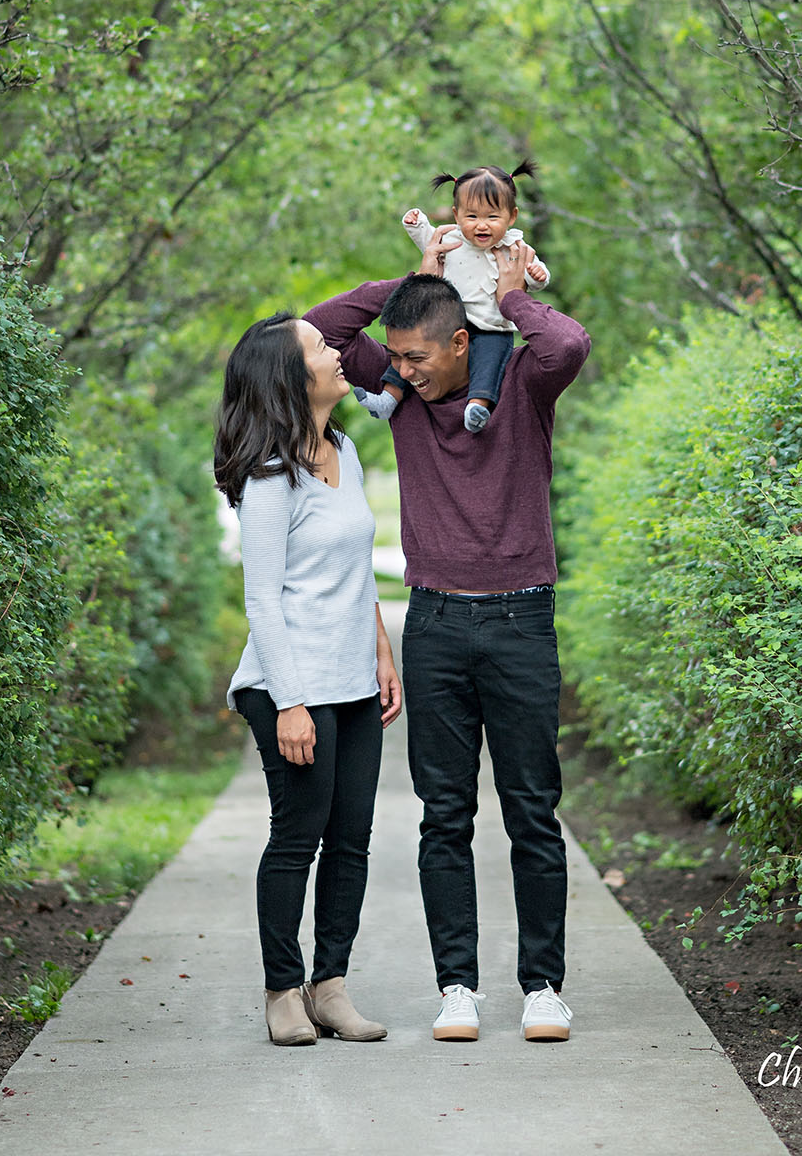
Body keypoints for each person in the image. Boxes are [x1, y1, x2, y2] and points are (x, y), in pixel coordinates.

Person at [306, 229, 591, 1044]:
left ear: (463, 341)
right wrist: (412, 279)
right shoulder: (398, 384)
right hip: (433, 621)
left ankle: (543, 987)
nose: (401, 369)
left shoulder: (523, 387)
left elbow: (566, 339)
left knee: (533, 811)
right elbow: (313, 334)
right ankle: (457, 986)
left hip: (521, 621)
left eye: (420, 356)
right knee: (445, 815)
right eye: (394, 355)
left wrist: (505, 295)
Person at [215, 312, 402, 1047]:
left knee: (351, 838)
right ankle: (282, 991)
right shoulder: (270, 476)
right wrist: (290, 703)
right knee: (298, 838)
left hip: (353, 680)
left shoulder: (344, 450)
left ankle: (332, 986)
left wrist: (382, 652)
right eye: (322, 348)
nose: (338, 352)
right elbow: (262, 597)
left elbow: (356, 565)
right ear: (292, 376)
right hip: (289, 686)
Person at [353, 160, 551, 433]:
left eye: (492, 217)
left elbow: (532, 273)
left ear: (511, 216)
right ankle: (388, 397)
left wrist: (537, 275)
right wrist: (416, 222)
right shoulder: (452, 239)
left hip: (492, 326)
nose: (481, 225)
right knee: (410, 354)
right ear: (457, 215)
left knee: (490, 361)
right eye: (472, 217)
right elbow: (428, 240)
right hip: (446, 320)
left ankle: (477, 406)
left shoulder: (514, 247)